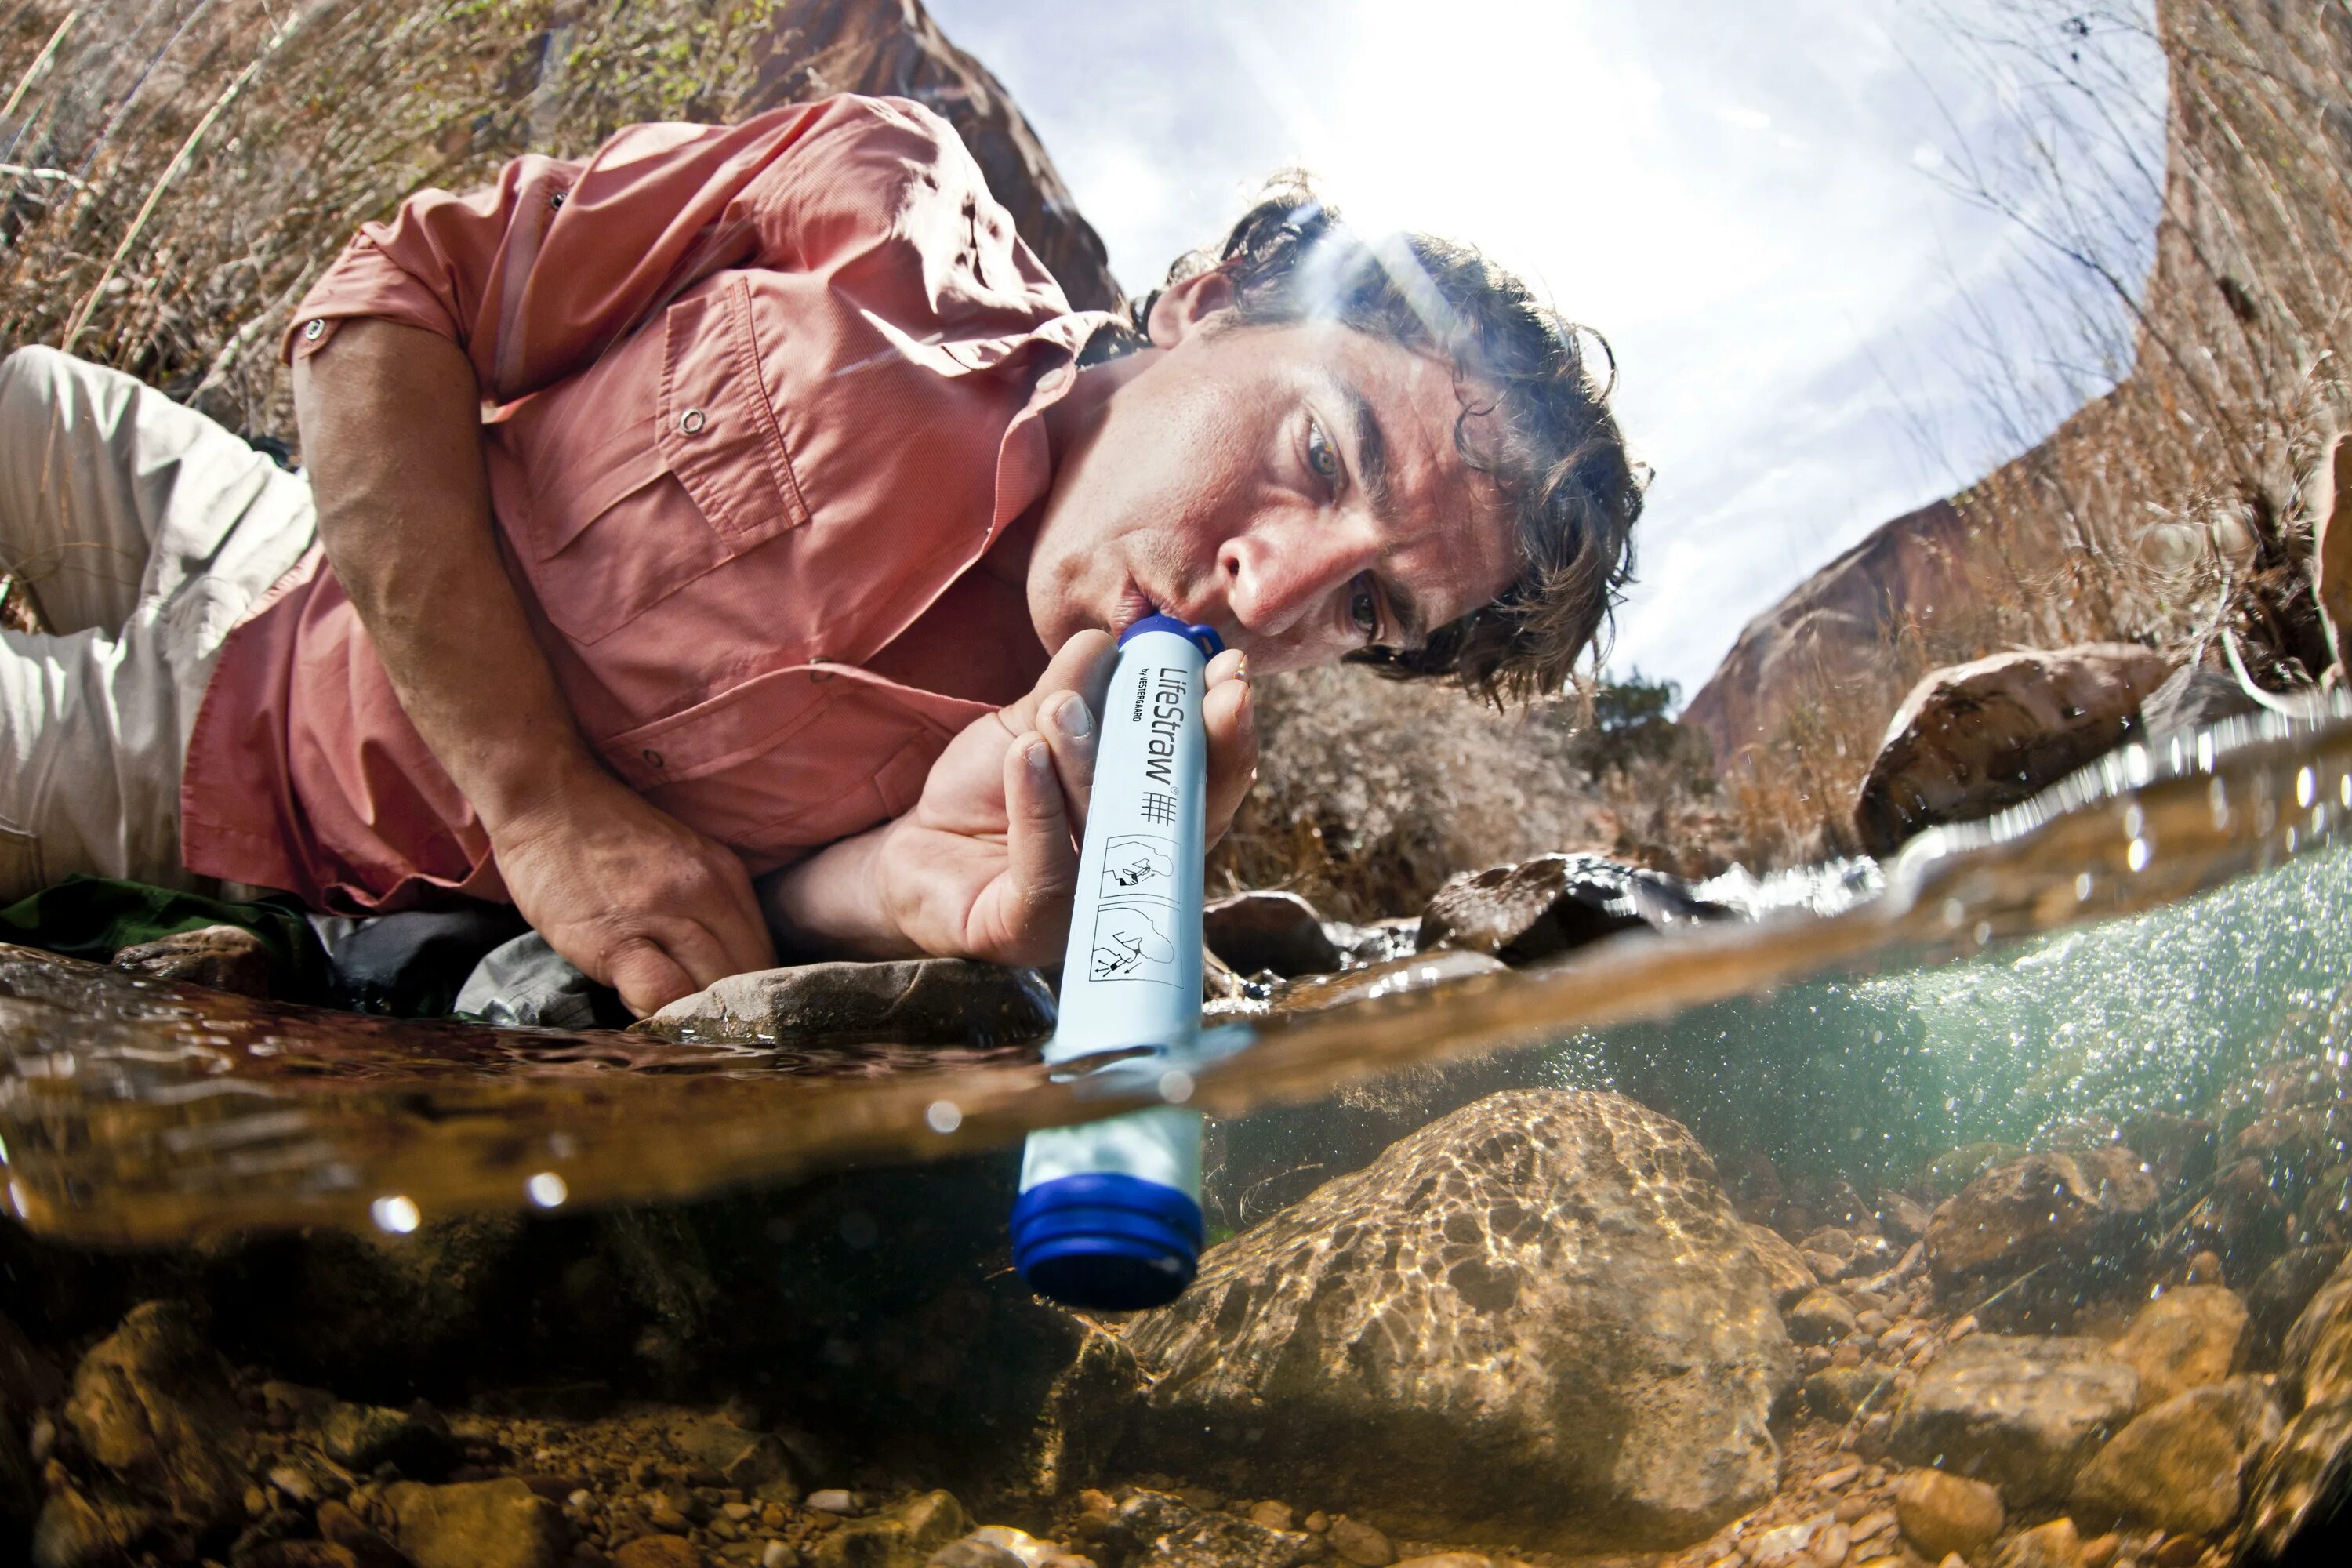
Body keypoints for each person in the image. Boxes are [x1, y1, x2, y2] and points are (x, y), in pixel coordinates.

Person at [0, 94, 1642, 1017]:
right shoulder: (878, 195)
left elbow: (756, 910)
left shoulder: (1073, 772)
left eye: (1367, 605)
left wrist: (919, 898)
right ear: (1211, 300)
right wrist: (547, 805)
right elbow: (384, 308)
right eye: (1316, 456)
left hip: (232, 770)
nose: (1271, 596)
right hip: (268, 521)